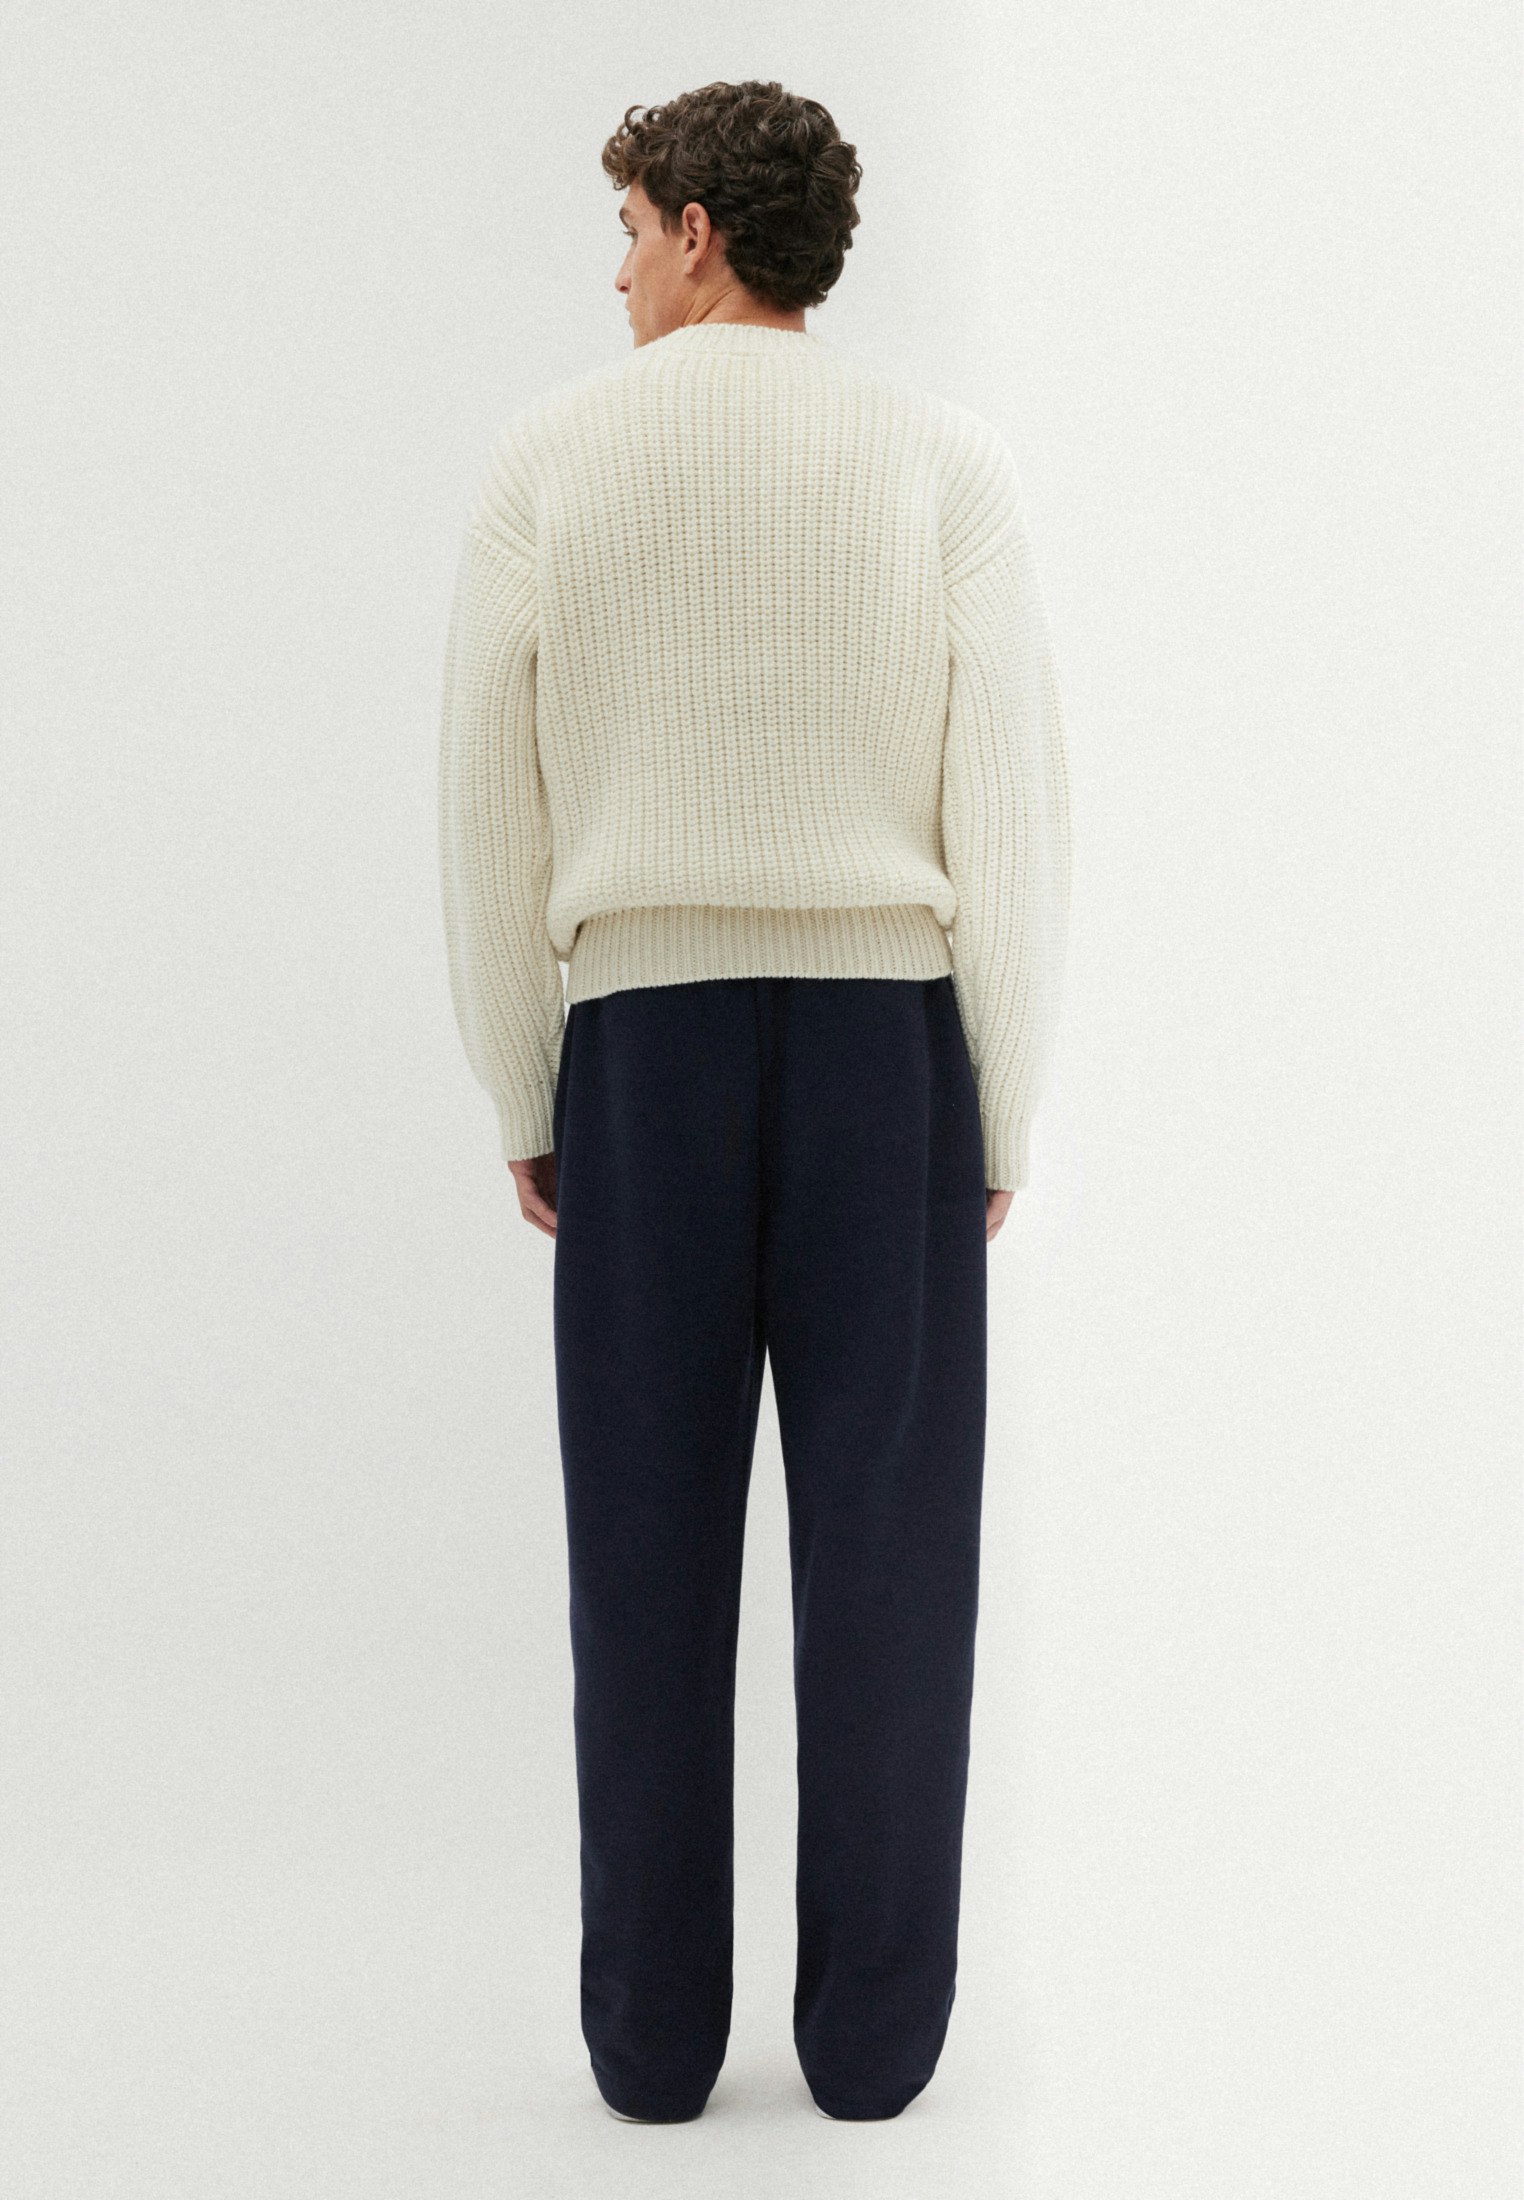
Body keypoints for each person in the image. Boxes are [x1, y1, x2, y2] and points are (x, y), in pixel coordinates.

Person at [437, 77, 1071, 2126]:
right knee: (892, 1562)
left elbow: (488, 798)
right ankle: (876, 2052)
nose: (618, 270)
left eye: (629, 229)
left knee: (640, 1560)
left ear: (699, 230)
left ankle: (650, 2048)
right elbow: (1013, 802)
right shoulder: (941, 463)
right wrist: (1000, 1103)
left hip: (642, 1055)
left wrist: (521, 1073)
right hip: (892, 1055)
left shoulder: (551, 457)